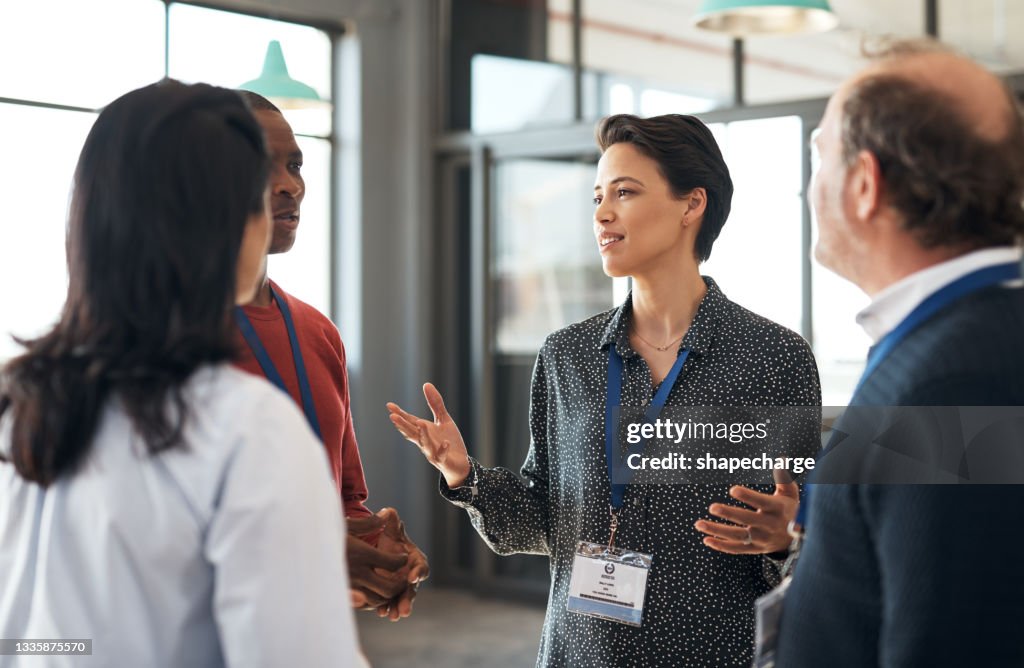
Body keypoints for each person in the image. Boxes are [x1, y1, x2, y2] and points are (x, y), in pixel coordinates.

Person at [387, 114, 821, 666]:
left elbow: (813, 536)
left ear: (692, 204)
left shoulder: (773, 357)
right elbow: (541, 521)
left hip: (715, 653)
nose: (601, 214)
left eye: (625, 192)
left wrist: (791, 536)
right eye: (598, 197)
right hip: (581, 652)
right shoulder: (566, 356)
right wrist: (461, 473)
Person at [0, 81, 366, 667]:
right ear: (216, 216)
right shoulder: (246, 429)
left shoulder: (22, 401)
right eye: (253, 181)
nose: (286, 189)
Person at [776, 39, 1024, 666]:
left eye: (820, 156)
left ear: (864, 184)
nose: (810, 187)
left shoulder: (949, 385)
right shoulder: (960, 339)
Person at [233, 91, 428, 620]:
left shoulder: (317, 332)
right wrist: (310, 554)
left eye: (295, 165)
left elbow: (342, 499)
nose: (290, 186)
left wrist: (381, 553)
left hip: (310, 629)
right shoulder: (166, 339)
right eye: (264, 166)